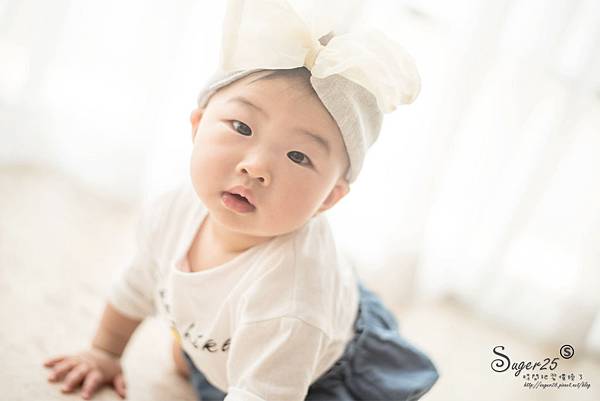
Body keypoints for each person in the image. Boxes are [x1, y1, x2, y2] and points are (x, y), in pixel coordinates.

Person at [43, 0, 439, 399]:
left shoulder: (293, 299)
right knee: (195, 358)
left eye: (298, 156)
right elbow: (137, 283)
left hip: (312, 373)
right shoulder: (173, 209)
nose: (255, 167)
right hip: (238, 337)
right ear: (198, 124)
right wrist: (104, 352)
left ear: (329, 198)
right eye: (241, 127)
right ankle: (209, 352)